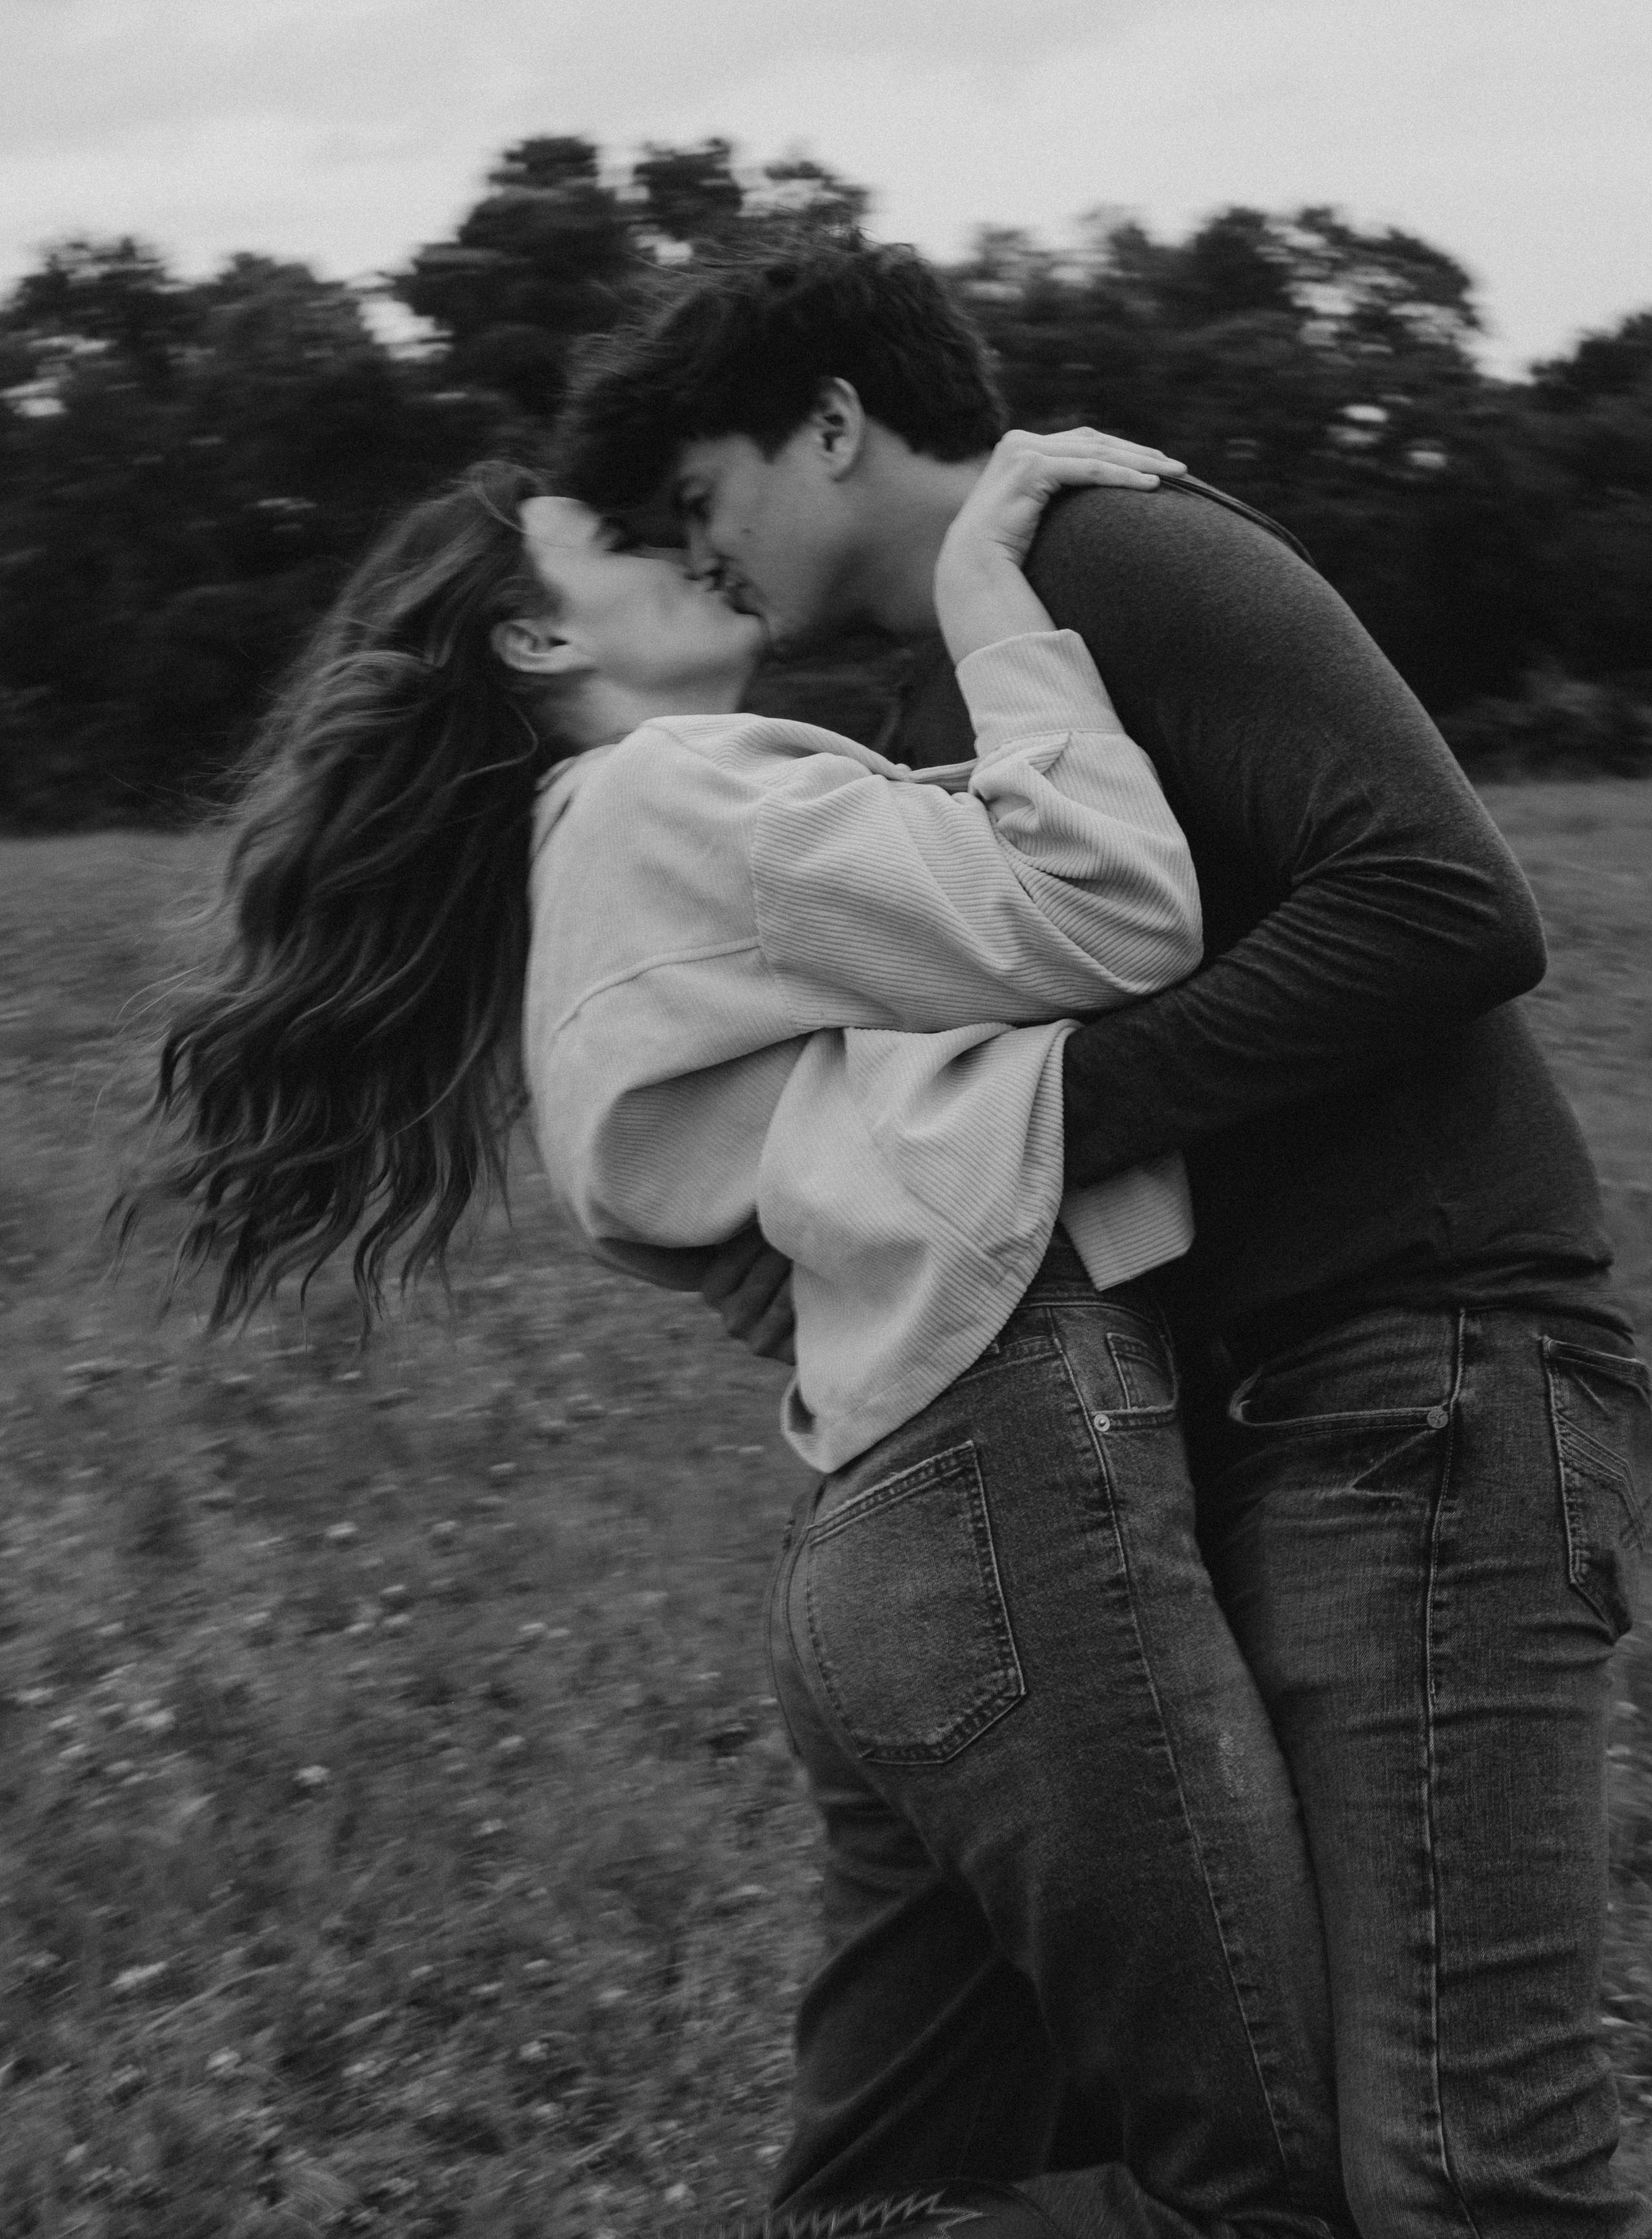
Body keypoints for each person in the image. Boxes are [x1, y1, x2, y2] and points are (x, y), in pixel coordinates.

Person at [132, 435, 1357, 2239]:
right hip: (1015, 1481)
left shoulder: (592, 866)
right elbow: (1111, 907)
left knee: (897, 2185)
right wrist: (988, 592)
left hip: (891, 1537)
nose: (696, 543)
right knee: (1266, 2186)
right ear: (540, 640)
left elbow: (736, 1193)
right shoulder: (671, 792)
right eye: (630, 534)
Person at [555, 236, 1652, 2239]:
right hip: (1233, 1404)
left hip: (1429, 1369)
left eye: (706, 492)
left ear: (833, 423)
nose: (699, 552)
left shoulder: (1114, 546)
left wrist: (1045, 1122)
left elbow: (1448, 904)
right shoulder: (945, 684)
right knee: (1285, 2136)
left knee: (1465, 2171)